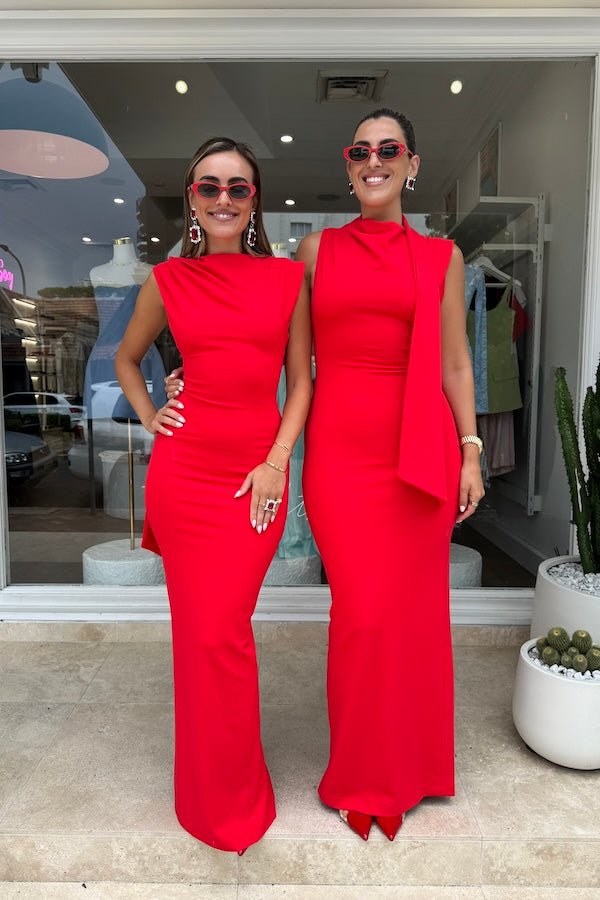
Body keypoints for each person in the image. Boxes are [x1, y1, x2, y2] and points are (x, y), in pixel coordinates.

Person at [165, 110, 484, 843]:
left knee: (413, 619)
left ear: (412, 164)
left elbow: (456, 362)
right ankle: (363, 774)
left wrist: (470, 448)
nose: (374, 161)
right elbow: (263, 331)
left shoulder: (442, 257)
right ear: (348, 166)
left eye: (389, 149)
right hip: (341, 458)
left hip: (421, 451)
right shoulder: (314, 251)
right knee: (362, 617)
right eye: (360, 150)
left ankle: (413, 767)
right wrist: (193, 379)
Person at [115, 137, 312, 854]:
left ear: (254, 200)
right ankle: (211, 792)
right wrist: (151, 413)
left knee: (222, 633)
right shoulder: (168, 281)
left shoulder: (287, 279)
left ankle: (232, 790)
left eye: (238, 187)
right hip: (185, 475)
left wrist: (276, 462)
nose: (223, 199)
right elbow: (126, 358)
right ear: (192, 199)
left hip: (254, 477)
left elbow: (302, 383)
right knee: (201, 637)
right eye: (209, 187)